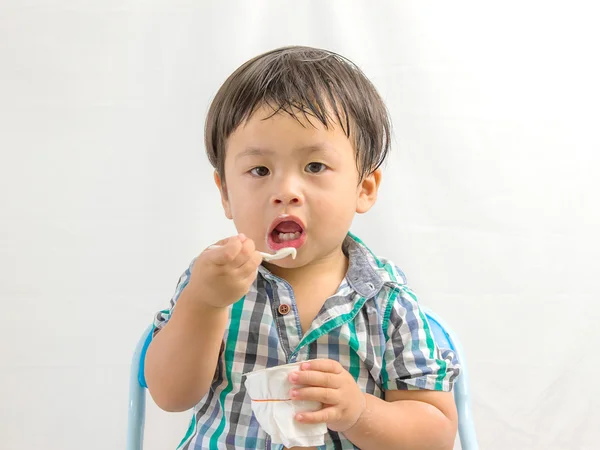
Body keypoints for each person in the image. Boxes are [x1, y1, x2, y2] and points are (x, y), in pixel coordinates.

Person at [145, 45, 460, 450]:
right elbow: (171, 396)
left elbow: (435, 434)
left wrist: (359, 412)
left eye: (314, 167)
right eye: (259, 170)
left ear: (363, 189)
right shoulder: (212, 280)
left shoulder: (388, 303)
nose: (285, 191)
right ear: (225, 194)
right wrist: (203, 303)